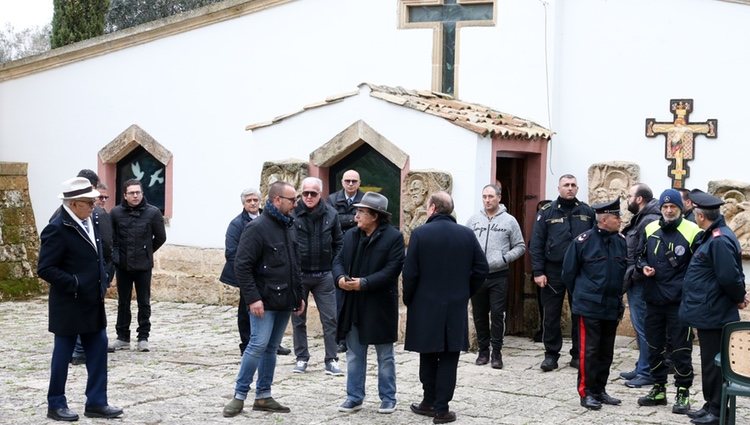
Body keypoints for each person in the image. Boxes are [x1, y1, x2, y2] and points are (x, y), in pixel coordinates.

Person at [38, 177, 123, 421]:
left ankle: (96, 402)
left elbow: (97, 256)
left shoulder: (89, 221)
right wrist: (74, 283)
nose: (93, 206)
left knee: (98, 354)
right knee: (62, 357)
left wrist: (103, 278)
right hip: (68, 304)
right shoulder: (57, 227)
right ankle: (56, 403)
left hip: (92, 302)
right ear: (74, 204)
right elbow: (45, 268)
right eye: (89, 202)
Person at [403, 191, 489, 424]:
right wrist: (464, 292)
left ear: (432, 208)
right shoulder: (466, 235)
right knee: (450, 356)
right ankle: (442, 409)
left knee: (427, 354)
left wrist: (409, 299)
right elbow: (481, 269)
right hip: (455, 305)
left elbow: (409, 273)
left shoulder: (420, 234)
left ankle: (428, 401)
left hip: (424, 305)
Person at [222, 181, 306, 417]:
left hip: (285, 300)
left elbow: (294, 265)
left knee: (271, 348)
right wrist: (253, 298)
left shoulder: (290, 226)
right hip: (263, 300)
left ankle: (263, 395)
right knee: (257, 345)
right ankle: (239, 396)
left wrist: (298, 296)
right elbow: (242, 265)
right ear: (277, 200)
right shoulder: (256, 227)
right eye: (292, 200)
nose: (295, 204)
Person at [679, 190, 748, 425]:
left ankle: (717, 410)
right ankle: (710, 404)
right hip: (709, 310)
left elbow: (729, 277)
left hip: (715, 312)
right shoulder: (712, 236)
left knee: (714, 364)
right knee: (709, 362)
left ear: (700, 216)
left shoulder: (719, 239)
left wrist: (739, 297)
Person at [333, 192, 404, 414]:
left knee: (385, 355)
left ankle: (388, 398)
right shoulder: (351, 235)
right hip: (353, 304)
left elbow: (392, 271)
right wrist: (340, 278)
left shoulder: (394, 237)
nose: (356, 215)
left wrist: (363, 283)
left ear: (375, 216)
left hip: (380, 305)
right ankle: (354, 397)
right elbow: (338, 261)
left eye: (361, 212)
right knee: (354, 354)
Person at [634, 189, 701, 414]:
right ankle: (658, 389)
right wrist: (643, 267)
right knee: (654, 346)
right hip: (653, 299)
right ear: (660, 209)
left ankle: (683, 392)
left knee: (681, 349)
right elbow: (639, 255)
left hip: (679, 302)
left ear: (680, 208)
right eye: (665, 207)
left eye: (673, 207)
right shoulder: (650, 227)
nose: (669, 210)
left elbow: (699, 265)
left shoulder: (693, 231)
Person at [561, 198, 627, 411]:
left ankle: (600, 389)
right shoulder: (583, 241)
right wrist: (582, 296)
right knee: (588, 351)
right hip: (589, 306)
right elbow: (568, 274)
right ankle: (586, 392)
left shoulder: (620, 241)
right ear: (605, 219)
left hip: (611, 305)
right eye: (617, 217)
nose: (621, 220)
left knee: (606, 351)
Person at [529, 174, 595, 371]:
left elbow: (594, 244)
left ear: (577, 188)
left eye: (573, 185)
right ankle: (551, 354)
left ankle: (577, 354)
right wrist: (538, 271)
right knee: (551, 314)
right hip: (553, 271)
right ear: (558, 188)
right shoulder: (547, 212)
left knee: (580, 313)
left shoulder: (587, 212)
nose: (570, 188)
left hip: (580, 271)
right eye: (566, 185)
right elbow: (537, 244)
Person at [219, 188, 292, 356]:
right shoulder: (237, 224)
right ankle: (246, 343)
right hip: (248, 275)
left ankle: (272, 342)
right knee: (246, 310)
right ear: (243, 204)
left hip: (269, 275)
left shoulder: (270, 219)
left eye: (255, 200)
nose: (252, 203)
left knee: (271, 308)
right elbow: (232, 252)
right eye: (248, 200)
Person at [465, 184, 525, 368]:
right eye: (484, 196)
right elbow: (465, 243)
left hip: (499, 276)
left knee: (498, 315)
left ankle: (497, 353)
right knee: (479, 315)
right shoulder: (474, 220)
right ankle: (483, 352)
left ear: (499, 198)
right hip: (477, 277)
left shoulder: (509, 221)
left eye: (491, 196)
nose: (487, 200)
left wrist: (504, 258)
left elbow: (521, 246)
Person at [291, 177, 344, 376]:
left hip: (324, 275)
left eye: (313, 193)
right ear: (301, 193)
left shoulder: (331, 213)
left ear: (320, 194)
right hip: (299, 276)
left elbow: (339, 242)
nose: (309, 197)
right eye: (306, 193)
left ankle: (331, 359)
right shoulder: (293, 213)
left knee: (330, 318)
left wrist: (333, 265)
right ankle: (301, 358)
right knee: (298, 319)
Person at [109, 179, 167, 352]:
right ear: (125, 195)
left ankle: (143, 337)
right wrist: (117, 257)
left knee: (144, 302)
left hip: (143, 266)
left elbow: (160, 237)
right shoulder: (115, 213)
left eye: (138, 192)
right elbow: (112, 239)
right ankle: (122, 337)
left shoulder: (153, 212)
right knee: (123, 302)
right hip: (123, 266)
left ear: (142, 194)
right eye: (131, 193)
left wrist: (147, 251)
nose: (135, 196)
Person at [619, 183, 661, 388]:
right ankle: (641, 366)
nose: (627, 200)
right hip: (636, 280)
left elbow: (647, 255)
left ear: (639, 199)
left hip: (641, 282)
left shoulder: (649, 220)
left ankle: (647, 371)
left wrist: (634, 275)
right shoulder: (643, 218)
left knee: (644, 327)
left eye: (629, 196)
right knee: (639, 327)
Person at [327, 169, 365, 353]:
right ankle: (340, 337)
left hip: (361, 250)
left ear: (359, 183)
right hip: (339, 250)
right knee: (339, 297)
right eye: (347, 181)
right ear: (342, 182)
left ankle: (359, 332)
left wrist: (343, 220)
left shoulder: (367, 198)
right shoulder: (332, 199)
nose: (350, 184)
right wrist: (354, 219)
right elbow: (331, 220)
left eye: (354, 181)